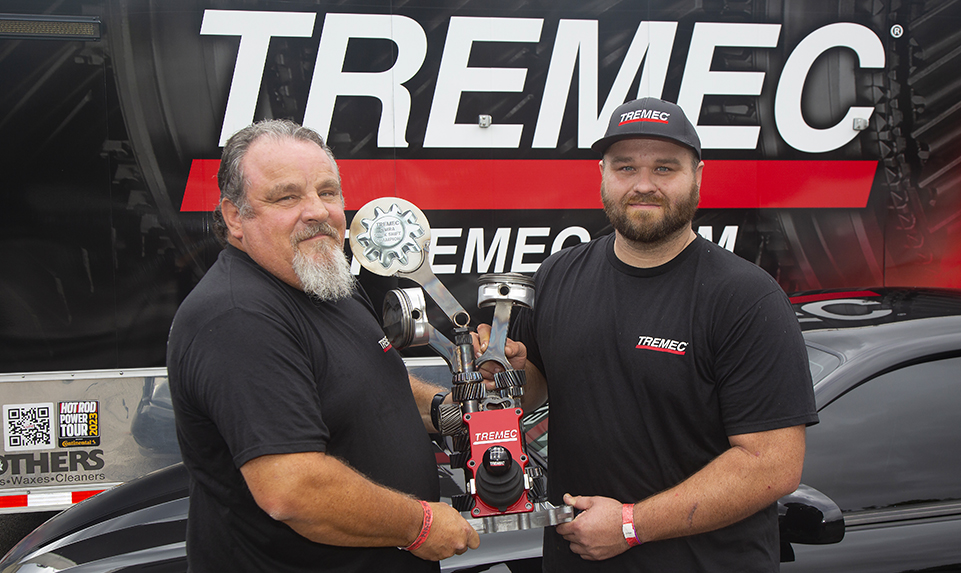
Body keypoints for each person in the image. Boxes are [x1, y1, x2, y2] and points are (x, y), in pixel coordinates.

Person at [479, 97, 818, 571]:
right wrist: (512, 373)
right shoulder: (558, 275)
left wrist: (631, 524)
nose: (643, 185)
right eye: (625, 167)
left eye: (664, 168)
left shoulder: (745, 297)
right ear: (602, 174)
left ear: (697, 176)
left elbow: (772, 464)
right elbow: (536, 388)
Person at [167, 119, 479, 572]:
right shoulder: (239, 317)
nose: (317, 211)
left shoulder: (325, 279)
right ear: (235, 217)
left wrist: (451, 411)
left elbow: (370, 382)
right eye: (286, 196)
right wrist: (421, 525)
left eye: (328, 192)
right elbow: (294, 490)